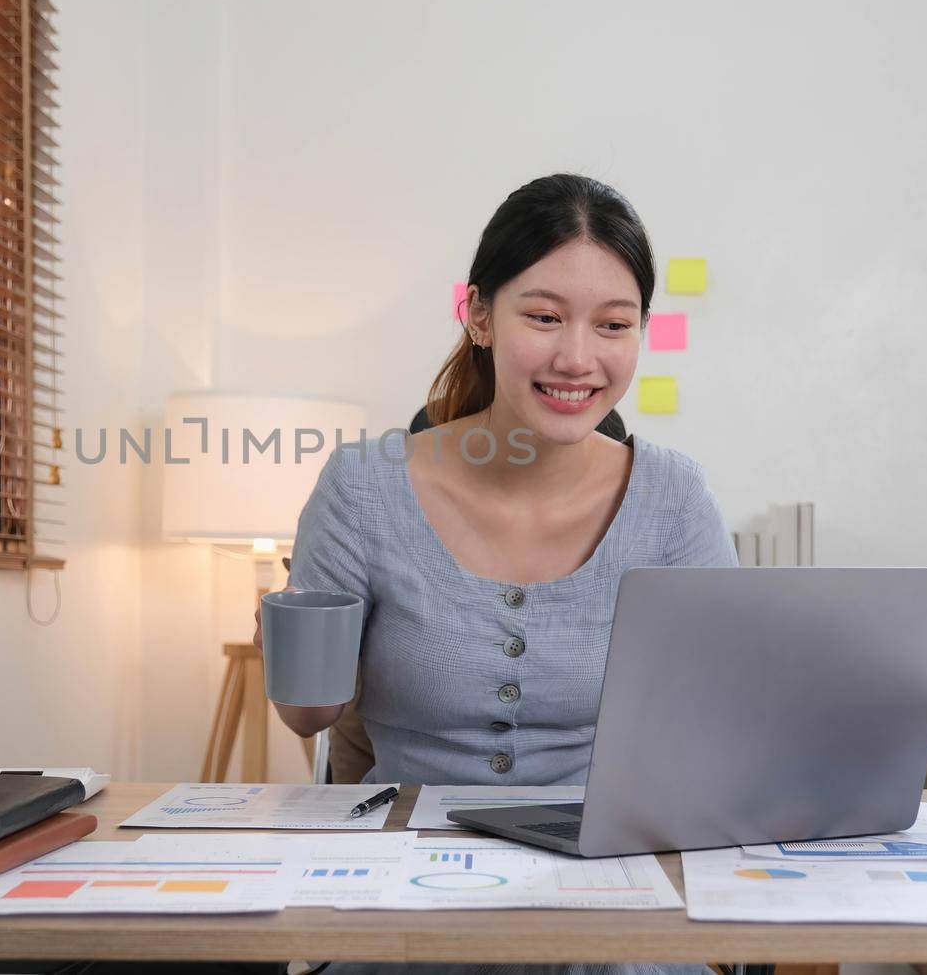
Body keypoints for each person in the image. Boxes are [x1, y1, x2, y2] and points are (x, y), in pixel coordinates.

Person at [258, 173, 736, 975]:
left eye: (613, 324)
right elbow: (308, 717)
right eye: (543, 317)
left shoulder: (675, 499)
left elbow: (727, 724)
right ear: (479, 314)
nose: (576, 357)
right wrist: (297, 636)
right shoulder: (364, 486)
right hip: (405, 905)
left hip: (610, 907)